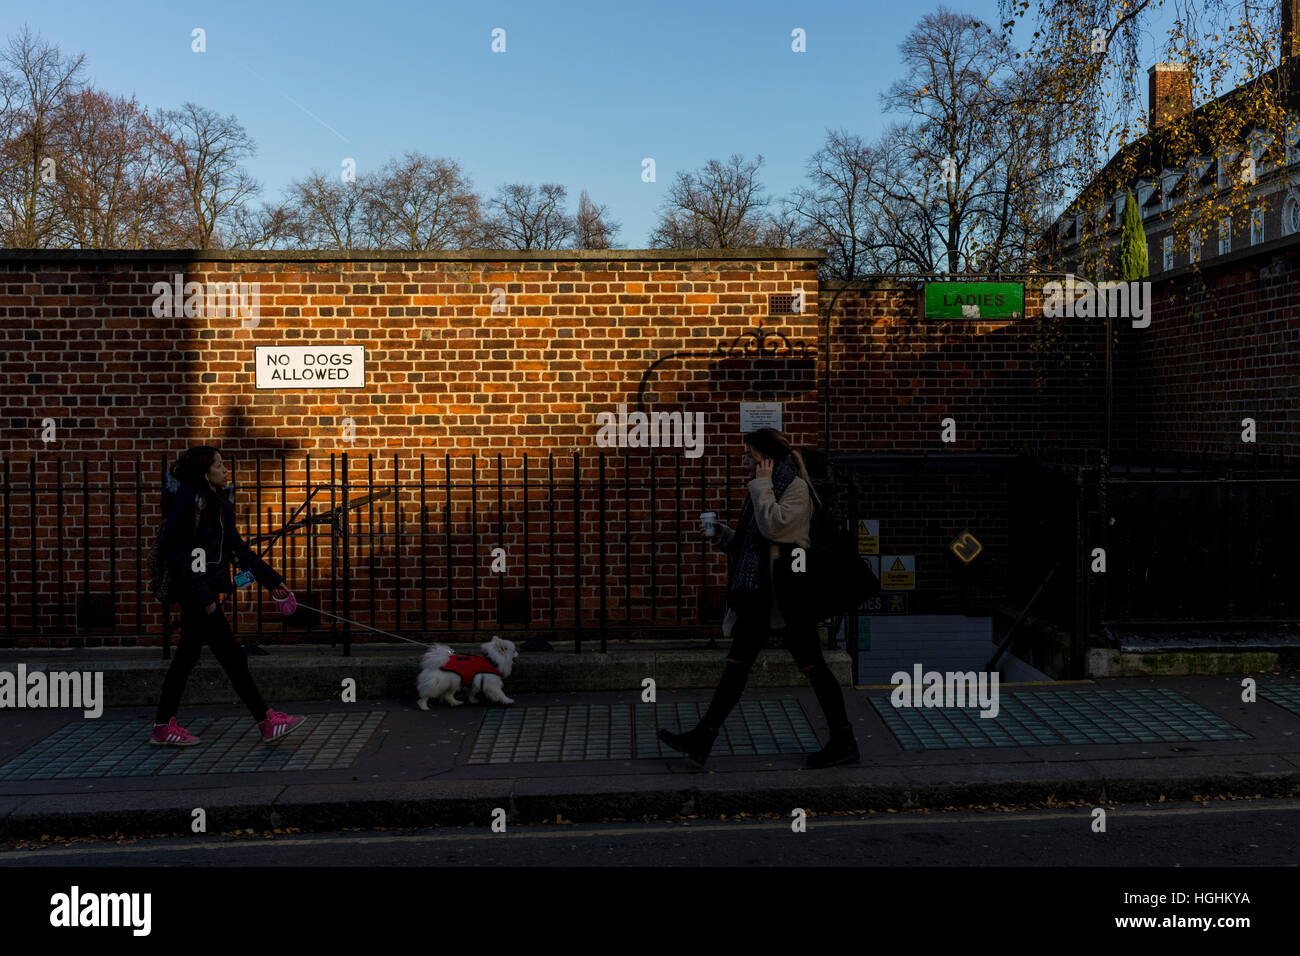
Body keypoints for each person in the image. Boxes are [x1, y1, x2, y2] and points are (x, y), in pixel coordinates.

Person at [658, 428, 859, 769]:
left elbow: (776, 529)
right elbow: (756, 542)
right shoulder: (767, 489)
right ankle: (703, 738)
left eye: (750, 456)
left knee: (815, 669)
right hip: (761, 598)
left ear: (767, 457)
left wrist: (762, 486)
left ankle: (844, 741)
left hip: (787, 597)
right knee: (737, 667)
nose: (747, 462)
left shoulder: (796, 488)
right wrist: (723, 536)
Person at [150, 445, 304, 746]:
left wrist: (273, 581)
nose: (225, 469)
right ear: (204, 474)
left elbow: (239, 550)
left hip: (204, 594)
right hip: (198, 596)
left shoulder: (217, 504)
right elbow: (178, 554)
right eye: (218, 465)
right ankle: (266, 721)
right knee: (231, 657)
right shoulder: (189, 503)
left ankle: (163, 726)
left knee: (188, 658)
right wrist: (205, 597)